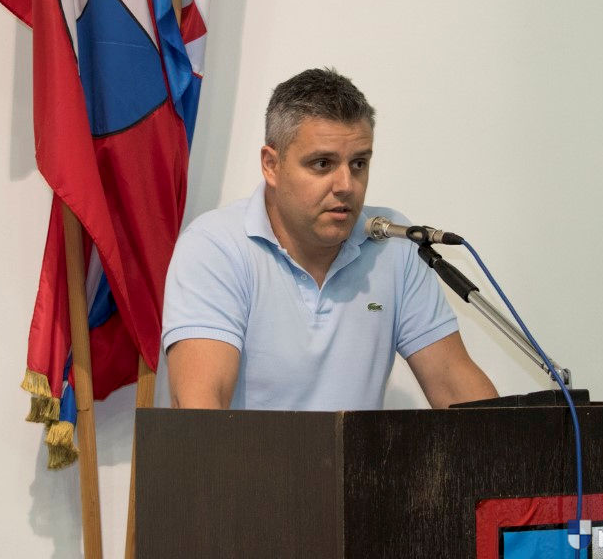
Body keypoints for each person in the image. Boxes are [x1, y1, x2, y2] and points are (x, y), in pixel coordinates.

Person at [162, 68, 498, 410]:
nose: (346, 185)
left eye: (358, 163)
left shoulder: (395, 244)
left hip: (356, 449)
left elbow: (453, 386)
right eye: (323, 164)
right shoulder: (216, 247)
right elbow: (199, 409)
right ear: (271, 165)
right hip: (245, 448)